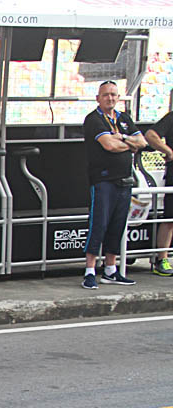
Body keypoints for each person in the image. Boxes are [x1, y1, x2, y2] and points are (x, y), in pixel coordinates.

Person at [81, 80, 148, 289]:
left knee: (118, 225)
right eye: (106, 95)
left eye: (113, 94)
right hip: (103, 180)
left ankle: (111, 269)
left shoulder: (124, 119)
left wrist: (123, 138)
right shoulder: (94, 119)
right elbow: (108, 145)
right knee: (98, 224)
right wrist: (129, 145)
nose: (110, 98)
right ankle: (90, 271)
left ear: (118, 97)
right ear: (98, 98)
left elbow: (142, 142)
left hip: (124, 181)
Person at [144, 110, 173, 277]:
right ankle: (161, 259)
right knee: (170, 218)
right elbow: (151, 135)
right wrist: (168, 151)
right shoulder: (171, 118)